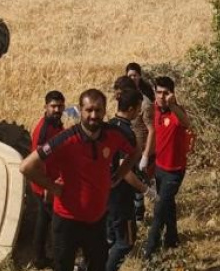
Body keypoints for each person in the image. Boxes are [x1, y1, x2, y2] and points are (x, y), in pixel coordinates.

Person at [21, 89, 139, 271]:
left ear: (105, 111)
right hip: (67, 221)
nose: (94, 115)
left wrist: (118, 176)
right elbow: (27, 166)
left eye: (98, 110)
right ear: (80, 110)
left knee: (98, 265)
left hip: (97, 220)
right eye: (89, 110)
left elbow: (134, 152)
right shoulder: (65, 139)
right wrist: (52, 187)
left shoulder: (114, 134)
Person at [106, 88, 157, 271]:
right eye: (138, 108)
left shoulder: (109, 125)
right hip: (120, 197)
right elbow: (125, 171)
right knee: (125, 243)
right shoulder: (125, 133)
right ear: (132, 108)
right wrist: (146, 190)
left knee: (110, 238)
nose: (139, 112)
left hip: (107, 195)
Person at [143, 76, 193, 260]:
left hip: (174, 171)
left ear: (172, 94)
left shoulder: (177, 113)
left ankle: (150, 252)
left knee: (159, 210)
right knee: (168, 205)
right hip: (159, 168)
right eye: (159, 92)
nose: (162, 97)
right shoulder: (155, 109)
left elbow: (186, 123)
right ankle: (172, 239)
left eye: (166, 93)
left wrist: (173, 105)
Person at [30, 90, 66, 269]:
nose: (57, 109)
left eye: (60, 106)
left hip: (50, 183)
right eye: (53, 106)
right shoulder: (43, 130)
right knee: (58, 224)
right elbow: (36, 161)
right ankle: (59, 260)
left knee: (43, 221)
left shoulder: (56, 123)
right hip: (44, 185)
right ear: (45, 107)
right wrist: (46, 187)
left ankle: (39, 258)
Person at [122, 65, 157, 217]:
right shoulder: (123, 100)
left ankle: (148, 214)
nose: (133, 78)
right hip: (128, 148)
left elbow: (152, 130)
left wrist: (145, 155)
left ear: (140, 76)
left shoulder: (145, 103)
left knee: (142, 184)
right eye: (130, 76)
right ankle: (138, 215)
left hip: (141, 149)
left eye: (135, 75)